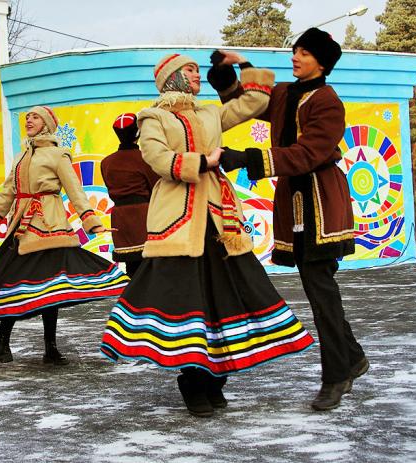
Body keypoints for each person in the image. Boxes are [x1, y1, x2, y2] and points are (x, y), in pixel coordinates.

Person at [100, 53, 315, 418]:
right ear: (171, 78)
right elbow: (155, 157)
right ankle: (191, 379)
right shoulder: (154, 117)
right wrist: (201, 162)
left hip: (220, 218)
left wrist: (244, 64)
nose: (197, 75)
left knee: (228, 297)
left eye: (197, 70)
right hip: (178, 220)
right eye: (190, 70)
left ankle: (216, 378)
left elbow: (254, 101)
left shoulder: (209, 113)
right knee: (186, 302)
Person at [208, 28, 369, 411]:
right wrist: (228, 76)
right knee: (318, 288)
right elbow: (248, 103)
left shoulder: (328, 101)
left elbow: (309, 152)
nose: (295, 56)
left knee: (320, 291)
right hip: (294, 198)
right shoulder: (283, 92)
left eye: (304, 53)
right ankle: (353, 357)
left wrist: (246, 158)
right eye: (295, 50)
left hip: (320, 200)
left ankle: (337, 376)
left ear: (322, 62)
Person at [0, 105, 128, 365]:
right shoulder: (21, 157)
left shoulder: (58, 155)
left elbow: (75, 190)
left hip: (49, 226)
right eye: (27, 117)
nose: (29, 120)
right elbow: (7, 193)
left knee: (51, 287)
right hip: (22, 228)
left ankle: (50, 347)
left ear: (46, 123)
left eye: (35, 117)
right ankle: (3, 343)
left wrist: (91, 221)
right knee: (12, 282)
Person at [100, 113, 160, 277]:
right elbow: (157, 187)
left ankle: (132, 299)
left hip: (120, 218)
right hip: (143, 215)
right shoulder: (145, 158)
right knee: (150, 264)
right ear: (138, 133)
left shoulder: (106, 163)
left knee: (131, 266)